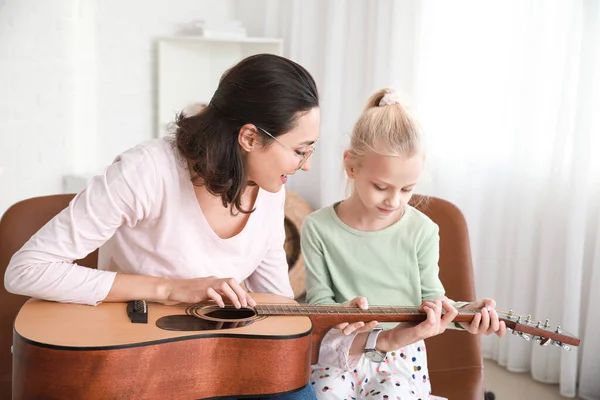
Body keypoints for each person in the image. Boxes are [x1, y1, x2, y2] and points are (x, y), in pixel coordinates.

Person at [4, 53, 320, 399]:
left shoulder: (272, 190)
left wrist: (339, 332)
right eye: (300, 151)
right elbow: (26, 270)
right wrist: (169, 289)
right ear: (249, 138)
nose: (305, 166)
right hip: (131, 359)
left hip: (216, 363)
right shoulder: (147, 171)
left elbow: (277, 307)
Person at [301, 88, 507, 399]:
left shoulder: (423, 230)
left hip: (400, 356)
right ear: (351, 166)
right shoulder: (317, 227)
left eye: (407, 189)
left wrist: (468, 315)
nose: (394, 200)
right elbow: (318, 306)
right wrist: (343, 311)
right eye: (381, 187)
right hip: (342, 350)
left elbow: (433, 302)